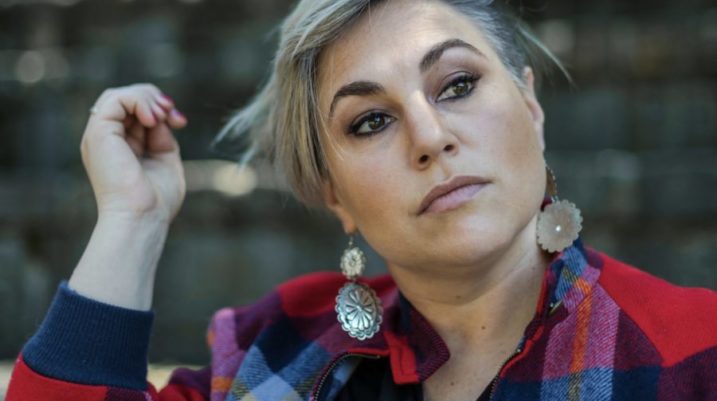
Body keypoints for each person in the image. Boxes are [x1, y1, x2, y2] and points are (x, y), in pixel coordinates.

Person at [6, 0, 717, 400]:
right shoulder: (267, 356)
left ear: (529, 107)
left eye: (458, 84)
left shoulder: (695, 352)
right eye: (370, 121)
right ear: (332, 193)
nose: (430, 137)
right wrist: (133, 219)